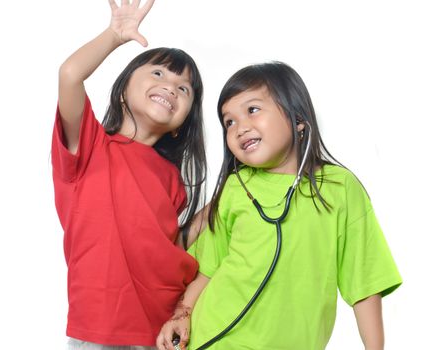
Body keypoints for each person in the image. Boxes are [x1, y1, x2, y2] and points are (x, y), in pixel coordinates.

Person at [156, 62, 402, 350]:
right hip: (213, 339)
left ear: (298, 117)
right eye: (229, 122)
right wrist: (182, 314)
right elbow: (208, 269)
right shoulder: (236, 188)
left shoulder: (339, 188)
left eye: (252, 110)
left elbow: (365, 283)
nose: (240, 128)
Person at [52, 0, 207, 348]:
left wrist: (210, 212)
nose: (171, 86)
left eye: (184, 88)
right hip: (99, 327)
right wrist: (114, 35)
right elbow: (69, 75)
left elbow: (168, 248)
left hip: (161, 329)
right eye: (158, 73)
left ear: (182, 124)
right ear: (123, 90)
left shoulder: (172, 179)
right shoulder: (90, 145)